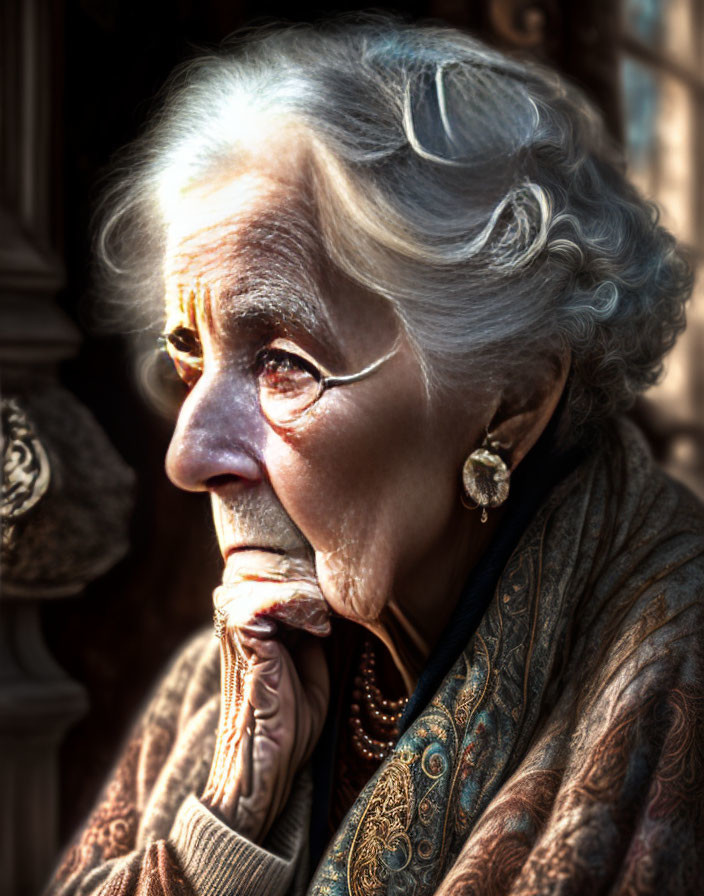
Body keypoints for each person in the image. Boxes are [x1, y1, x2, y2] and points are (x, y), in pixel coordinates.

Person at [44, 17, 704, 896]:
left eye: (284, 361)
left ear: (509, 399)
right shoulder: (224, 679)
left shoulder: (676, 673)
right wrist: (232, 812)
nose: (189, 454)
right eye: (190, 361)